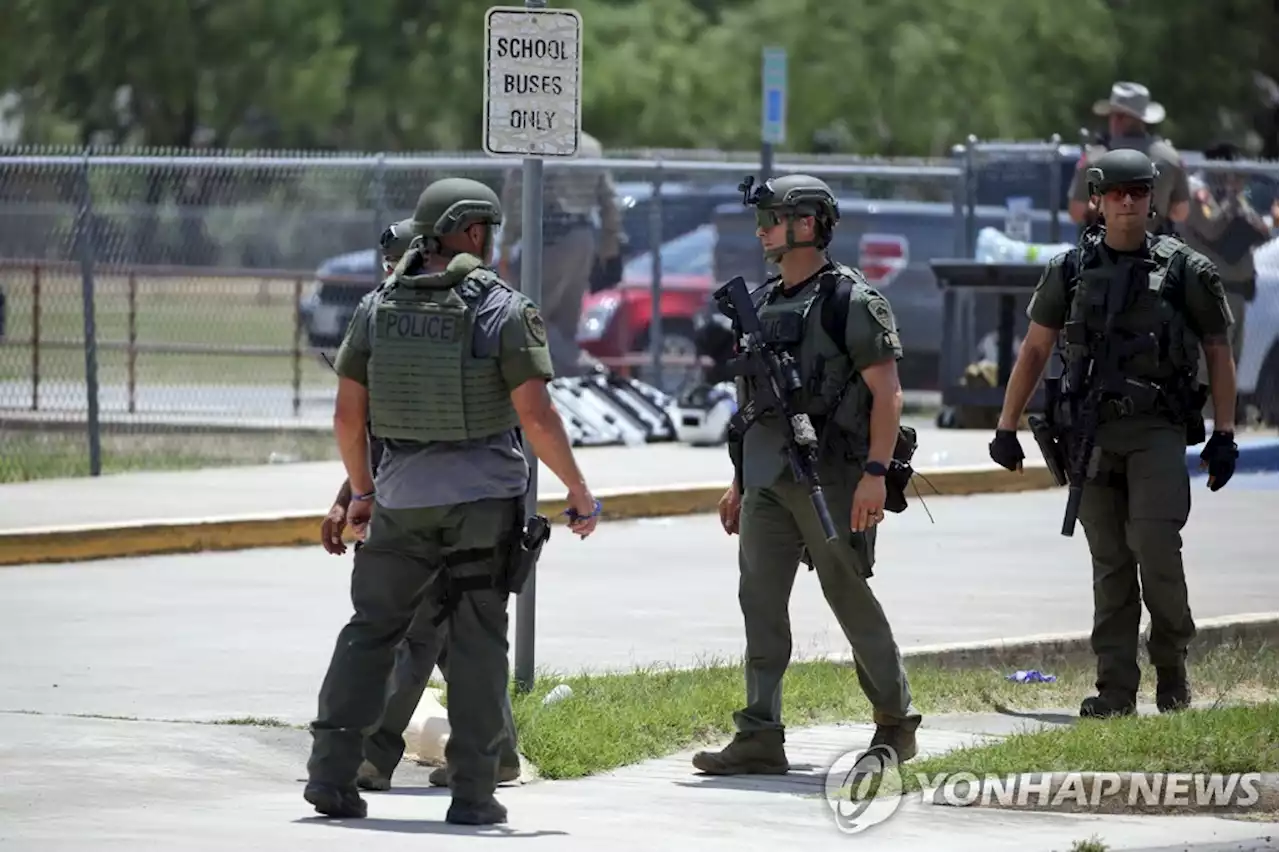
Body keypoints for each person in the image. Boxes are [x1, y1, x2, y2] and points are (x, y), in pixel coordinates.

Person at [304, 177, 602, 825]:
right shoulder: (501, 308)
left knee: (370, 632)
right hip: (481, 504)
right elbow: (538, 416)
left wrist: (361, 492)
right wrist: (577, 490)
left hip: (400, 500)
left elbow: (348, 418)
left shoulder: (378, 306)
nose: (491, 242)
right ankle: (472, 793)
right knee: (474, 642)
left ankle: (331, 775)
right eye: (486, 231)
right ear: (470, 231)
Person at [988, 148, 1239, 719]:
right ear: (1096, 200)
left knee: (1154, 545)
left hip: (1156, 429)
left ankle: (1171, 663)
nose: (1128, 202)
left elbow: (1218, 353)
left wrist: (1224, 433)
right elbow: (1035, 349)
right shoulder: (1069, 270)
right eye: (1117, 192)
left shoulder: (1186, 271)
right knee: (1109, 562)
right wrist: (1006, 426)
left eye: (1139, 192)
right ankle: (1115, 689)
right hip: (1090, 434)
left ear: (1152, 198)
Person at [691, 174, 922, 776]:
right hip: (767, 479)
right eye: (763, 216)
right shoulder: (761, 303)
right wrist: (739, 482)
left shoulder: (852, 300)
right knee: (760, 603)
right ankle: (759, 734)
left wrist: (876, 472)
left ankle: (896, 722)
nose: (762, 227)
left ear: (809, 223)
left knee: (847, 593)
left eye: (774, 216)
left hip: (836, 479)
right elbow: (750, 409)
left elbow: (888, 395)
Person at [317, 216, 523, 794]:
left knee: (416, 634)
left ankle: (370, 755)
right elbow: (372, 430)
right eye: (386, 264)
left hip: (447, 503)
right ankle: (495, 753)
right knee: (450, 638)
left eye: (399, 261)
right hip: (408, 499)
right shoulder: (390, 316)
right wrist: (347, 498)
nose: (391, 274)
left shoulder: (458, 321)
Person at [497, 130, 623, 377]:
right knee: (565, 322)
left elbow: (516, 196)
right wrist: (610, 244)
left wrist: (506, 244)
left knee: (527, 317)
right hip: (583, 236)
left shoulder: (534, 140)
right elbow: (610, 200)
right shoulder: (590, 146)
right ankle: (566, 381)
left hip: (547, 237)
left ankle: (583, 367)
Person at [1177, 141, 1274, 372]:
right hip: (1210, 293)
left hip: (1237, 294)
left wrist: (1237, 199)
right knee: (1206, 373)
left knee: (1228, 371)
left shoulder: (1229, 194)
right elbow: (1210, 228)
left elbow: (1261, 229)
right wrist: (1231, 198)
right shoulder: (1196, 190)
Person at [1068, 82, 1191, 236]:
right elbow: (1181, 212)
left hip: (1104, 252)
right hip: (1154, 251)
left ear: (1118, 118)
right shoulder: (1171, 158)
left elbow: (1076, 212)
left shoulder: (1094, 159)